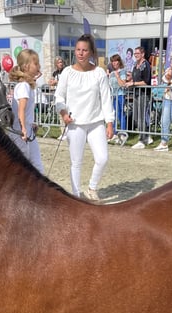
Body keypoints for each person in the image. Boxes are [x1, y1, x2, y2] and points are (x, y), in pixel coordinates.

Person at [54, 34, 115, 200]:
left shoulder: (99, 73)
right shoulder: (67, 72)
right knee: (76, 162)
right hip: (75, 123)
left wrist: (109, 122)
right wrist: (63, 113)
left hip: (96, 122)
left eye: (84, 50)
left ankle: (92, 188)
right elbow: (59, 97)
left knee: (102, 158)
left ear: (91, 52)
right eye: (78, 50)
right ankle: (75, 195)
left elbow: (106, 99)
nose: (81, 53)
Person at [7, 49, 44, 173]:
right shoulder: (23, 86)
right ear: (26, 66)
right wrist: (23, 129)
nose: (39, 66)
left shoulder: (27, 86)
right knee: (23, 165)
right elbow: (20, 111)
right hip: (20, 131)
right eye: (36, 64)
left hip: (27, 129)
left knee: (37, 164)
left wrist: (30, 123)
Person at [126, 46, 153, 148]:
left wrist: (133, 83)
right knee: (137, 117)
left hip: (143, 93)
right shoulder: (135, 65)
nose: (136, 55)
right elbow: (134, 77)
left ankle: (142, 140)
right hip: (136, 93)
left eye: (138, 53)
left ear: (142, 54)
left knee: (141, 117)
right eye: (135, 54)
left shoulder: (145, 65)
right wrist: (129, 79)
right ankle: (146, 136)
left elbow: (145, 82)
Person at [108, 54, 128, 135]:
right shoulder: (112, 73)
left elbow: (123, 84)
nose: (114, 63)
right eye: (113, 61)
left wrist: (118, 77)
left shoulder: (123, 71)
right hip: (113, 95)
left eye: (116, 61)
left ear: (119, 62)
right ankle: (114, 132)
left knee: (121, 114)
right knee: (114, 114)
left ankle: (123, 133)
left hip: (120, 95)